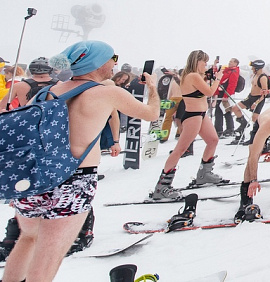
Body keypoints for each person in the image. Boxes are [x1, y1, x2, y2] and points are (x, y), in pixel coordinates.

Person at [3, 41, 160, 282]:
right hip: (74, 180)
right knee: (49, 256)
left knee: (27, 239)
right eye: (112, 57)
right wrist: (152, 87)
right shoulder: (106, 91)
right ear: (97, 61)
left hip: (37, 177)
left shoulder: (47, 91)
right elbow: (151, 114)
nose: (115, 63)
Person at [150, 50, 226, 200]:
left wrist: (210, 74)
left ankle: (205, 174)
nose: (206, 64)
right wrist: (217, 79)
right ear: (197, 61)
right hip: (193, 116)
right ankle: (162, 186)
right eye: (204, 61)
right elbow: (210, 92)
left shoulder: (191, 75)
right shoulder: (192, 75)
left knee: (213, 140)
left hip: (201, 115)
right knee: (180, 149)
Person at [229, 60, 268, 145]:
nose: (252, 69)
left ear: (257, 68)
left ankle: (256, 138)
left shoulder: (263, 77)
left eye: (253, 67)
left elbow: (265, 93)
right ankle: (243, 123)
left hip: (258, 98)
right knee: (235, 108)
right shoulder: (254, 75)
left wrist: (256, 102)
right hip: (250, 97)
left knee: (255, 119)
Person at [213, 58, 241, 138]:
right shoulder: (228, 70)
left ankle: (221, 129)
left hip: (225, 94)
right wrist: (215, 64)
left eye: (231, 62)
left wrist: (226, 95)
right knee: (224, 110)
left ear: (236, 63)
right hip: (222, 93)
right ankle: (227, 128)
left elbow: (232, 84)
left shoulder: (234, 71)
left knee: (223, 111)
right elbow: (216, 75)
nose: (229, 63)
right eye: (229, 61)